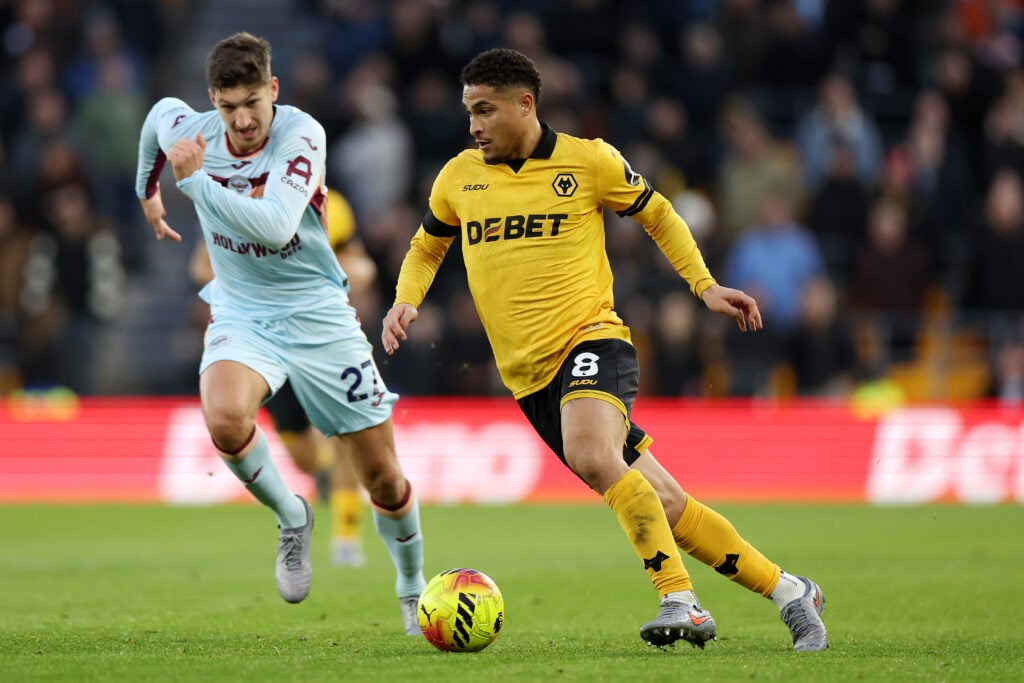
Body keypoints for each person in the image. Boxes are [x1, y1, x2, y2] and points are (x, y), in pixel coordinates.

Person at [382, 48, 828, 651]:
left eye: (484, 110)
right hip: (531, 381)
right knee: (666, 503)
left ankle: (681, 599)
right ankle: (791, 592)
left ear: (525, 104)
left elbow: (658, 214)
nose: (473, 126)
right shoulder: (459, 177)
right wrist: (406, 299)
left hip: (592, 340)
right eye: (469, 112)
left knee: (592, 453)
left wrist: (704, 285)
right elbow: (427, 245)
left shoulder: (588, 161)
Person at [135, 32, 425, 633]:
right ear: (212, 100)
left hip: (318, 314)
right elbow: (156, 117)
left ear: (272, 89)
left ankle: (412, 582)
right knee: (223, 418)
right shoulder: (192, 130)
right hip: (243, 311)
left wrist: (193, 183)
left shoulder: (302, 135)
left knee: (382, 476)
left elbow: (274, 226)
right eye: (227, 106)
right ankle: (293, 516)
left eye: (252, 103)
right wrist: (148, 192)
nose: (242, 120)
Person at [189, 188, 376, 567]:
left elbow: (357, 261)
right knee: (302, 456)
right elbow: (201, 266)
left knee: (347, 435)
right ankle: (322, 471)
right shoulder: (237, 200)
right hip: (266, 340)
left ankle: (346, 538)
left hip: (321, 335)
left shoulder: (333, 206)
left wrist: (355, 272)